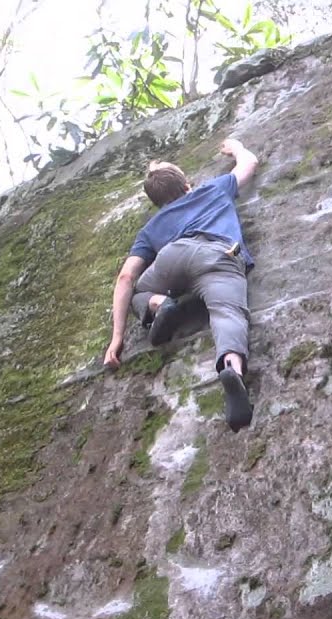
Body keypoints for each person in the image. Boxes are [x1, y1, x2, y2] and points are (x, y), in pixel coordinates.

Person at [103, 138, 259, 432]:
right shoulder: (212, 189)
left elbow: (126, 277)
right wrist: (236, 148)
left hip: (171, 257)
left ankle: (159, 304)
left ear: (156, 203)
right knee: (228, 313)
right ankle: (231, 368)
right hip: (219, 254)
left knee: (140, 292)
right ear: (187, 184)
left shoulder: (150, 229)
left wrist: (117, 337)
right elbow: (249, 163)